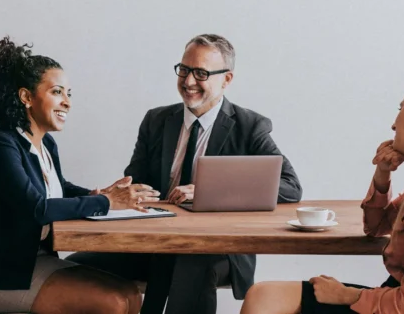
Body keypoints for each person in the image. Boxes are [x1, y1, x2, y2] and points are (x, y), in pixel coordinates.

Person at [67, 34, 302, 314]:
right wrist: (122, 193)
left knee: (192, 262)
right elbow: (136, 179)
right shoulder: (156, 120)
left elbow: (290, 187)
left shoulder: (250, 127)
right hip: (155, 241)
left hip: (219, 248)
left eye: (201, 73)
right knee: (73, 267)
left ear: (226, 79)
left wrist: (208, 191)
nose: (189, 81)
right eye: (184, 69)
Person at [240, 75, 404, 314]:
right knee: (264, 295)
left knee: (262, 299)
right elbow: (376, 226)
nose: (393, 124)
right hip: (402, 299)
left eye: (401, 108)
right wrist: (382, 173)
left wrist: (347, 296)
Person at [0, 36, 160, 314]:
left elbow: (59, 189)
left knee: (130, 293)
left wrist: (99, 195)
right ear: (26, 97)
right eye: (57, 92)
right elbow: (36, 208)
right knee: (114, 302)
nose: (67, 102)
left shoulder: (45, 143)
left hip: (29, 260)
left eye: (69, 93)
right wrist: (107, 202)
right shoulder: (1, 145)